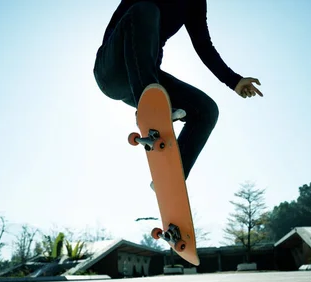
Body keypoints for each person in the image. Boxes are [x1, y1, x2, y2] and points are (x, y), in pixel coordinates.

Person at [93, 0, 263, 186]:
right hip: (111, 67)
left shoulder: (195, 3)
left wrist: (234, 80)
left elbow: (203, 44)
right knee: (146, 9)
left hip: (143, 77)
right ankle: (152, 108)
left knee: (206, 111)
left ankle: (169, 179)